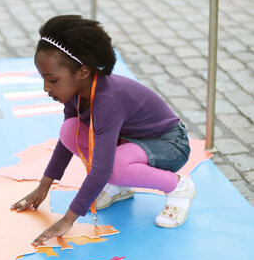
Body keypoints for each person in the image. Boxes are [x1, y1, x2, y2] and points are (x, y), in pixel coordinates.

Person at [11, 15, 195, 245]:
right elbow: (67, 144)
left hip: (170, 144)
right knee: (69, 130)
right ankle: (121, 187)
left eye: (52, 80)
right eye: (44, 79)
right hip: (132, 141)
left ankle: (178, 187)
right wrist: (43, 187)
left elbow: (102, 168)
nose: (46, 88)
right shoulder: (76, 93)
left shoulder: (108, 101)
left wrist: (68, 219)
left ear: (83, 72)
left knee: (113, 167)